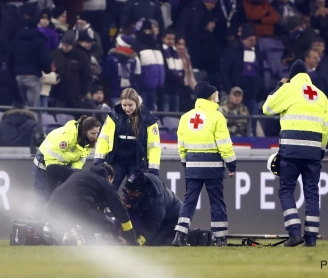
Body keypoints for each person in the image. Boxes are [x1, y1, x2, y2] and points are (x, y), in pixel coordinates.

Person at [262, 60, 328, 247]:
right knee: (312, 193)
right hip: (313, 152)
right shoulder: (321, 96)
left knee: (286, 190)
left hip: (291, 151)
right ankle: (311, 238)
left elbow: (267, 109)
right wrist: (321, 150)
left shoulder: (288, 89)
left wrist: (278, 87)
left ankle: (294, 233)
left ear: (291, 76)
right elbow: (325, 129)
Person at [172, 81, 236, 247]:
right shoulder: (217, 116)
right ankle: (220, 238)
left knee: (189, 201)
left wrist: (185, 162)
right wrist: (231, 163)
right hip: (213, 166)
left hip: (193, 165)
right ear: (211, 96)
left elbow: (181, 144)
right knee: (216, 201)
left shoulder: (185, 117)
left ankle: (179, 235)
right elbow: (224, 143)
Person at [44, 163, 140, 246]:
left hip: (52, 206)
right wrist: (131, 239)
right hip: (74, 210)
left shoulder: (77, 172)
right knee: (108, 223)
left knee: (86, 213)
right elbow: (121, 213)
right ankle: (80, 233)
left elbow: (51, 168)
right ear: (110, 177)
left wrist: (52, 194)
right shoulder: (105, 184)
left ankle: (60, 228)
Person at [32, 115, 101, 218]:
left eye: (97, 133)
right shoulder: (68, 135)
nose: (95, 136)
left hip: (61, 166)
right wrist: (55, 177)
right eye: (93, 133)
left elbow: (79, 161)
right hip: (44, 165)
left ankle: (50, 223)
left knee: (60, 197)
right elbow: (51, 157)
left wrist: (73, 176)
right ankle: (34, 221)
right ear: (85, 130)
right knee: (45, 196)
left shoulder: (87, 141)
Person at [94, 88, 161, 191]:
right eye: (124, 105)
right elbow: (104, 139)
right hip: (117, 162)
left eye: (130, 105)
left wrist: (153, 169)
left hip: (136, 163)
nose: (127, 108)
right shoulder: (113, 116)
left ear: (137, 103)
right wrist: (99, 160)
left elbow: (154, 146)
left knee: (134, 193)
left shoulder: (148, 119)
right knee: (108, 190)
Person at [121, 168, 183, 246]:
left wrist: (135, 243)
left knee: (155, 243)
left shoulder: (156, 203)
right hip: (156, 217)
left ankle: (182, 241)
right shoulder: (136, 187)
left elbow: (150, 230)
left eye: (132, 192)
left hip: (173, 220)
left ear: (141, 191)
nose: (128, 194)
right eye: (127, 191)